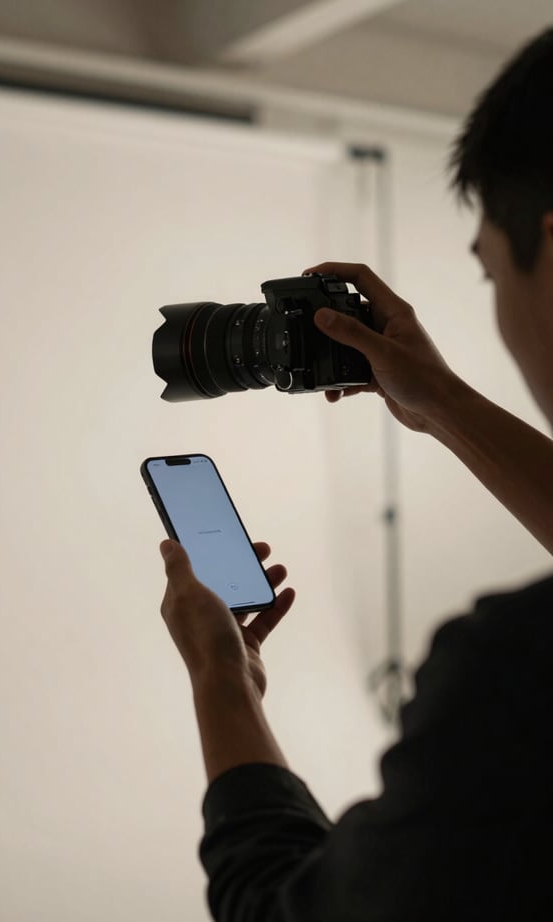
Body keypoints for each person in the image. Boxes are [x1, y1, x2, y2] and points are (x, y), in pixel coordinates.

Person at [157, 27, 553, 922]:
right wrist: (441, 402)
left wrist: (223, 682)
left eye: (490, 273)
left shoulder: (518, 679)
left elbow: (277, 908)